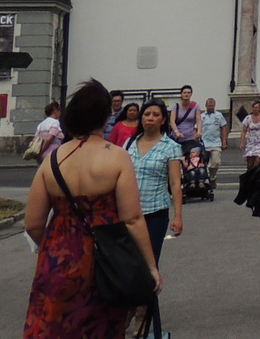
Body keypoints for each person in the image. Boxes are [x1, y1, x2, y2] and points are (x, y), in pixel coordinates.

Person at [23, 79, 161, 339]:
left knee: (54, 327)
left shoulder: (52, 159)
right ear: (105, 117)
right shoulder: (118, 157)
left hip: (57, 257)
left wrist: (52, 248)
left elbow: (32, 223)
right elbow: (132, 219)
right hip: (104, 262)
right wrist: (151, 267)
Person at [127, 97, 183, 327]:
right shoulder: (130, 143)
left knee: (148, 264)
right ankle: (129, 308)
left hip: (155, 213)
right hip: (129, 214)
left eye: (155, 115)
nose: (150, 118)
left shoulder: (170, 146)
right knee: (128, 264)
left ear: (162, 120)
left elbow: (175, 184)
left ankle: (142, 314)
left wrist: (178, 215)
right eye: (146, 114)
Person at [200, 97, 229, 179]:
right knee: (203, 163)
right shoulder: (201, 116)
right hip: (204, 143)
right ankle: (206, 178)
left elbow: (223, 128)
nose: (210, 107)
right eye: (209, 106)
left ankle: (212, 177)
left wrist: (224, 142)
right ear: (206, 106)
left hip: (216, 143)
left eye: (212, 106)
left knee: (215, 162)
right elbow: (196, 129)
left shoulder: (219, 115)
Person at [171, 85, 201, 154]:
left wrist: (199, 131)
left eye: (188, 92)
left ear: (191, 94)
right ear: (181, 94)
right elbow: (172, 121)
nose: (186, 94)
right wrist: (177, 132)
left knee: (189, 155)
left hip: (189, 137)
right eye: (184, 93)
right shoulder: (176, 106)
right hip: (177, 137)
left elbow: (199, 121)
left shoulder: (195, 106)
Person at [241, 98, 260, 169]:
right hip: (251, 142)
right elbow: (244, 131)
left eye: (256, 107)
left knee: (257, 160)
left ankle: (256, 175)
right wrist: (242, 142)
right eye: (254, 107)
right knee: (250, 164)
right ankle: (249, 176)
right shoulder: (248, 118)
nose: (255, 109)